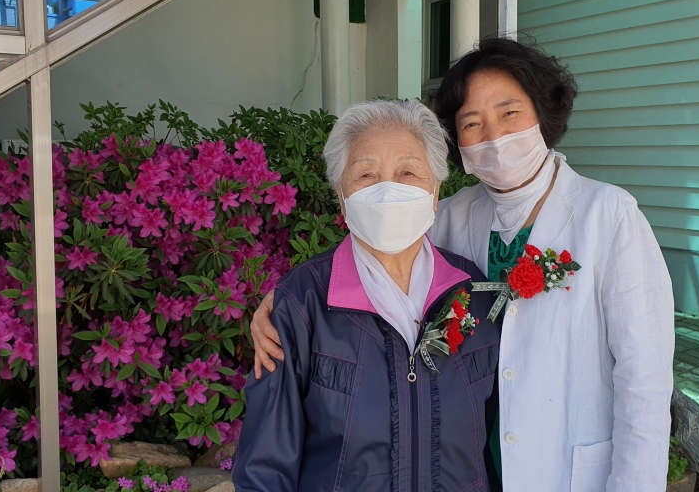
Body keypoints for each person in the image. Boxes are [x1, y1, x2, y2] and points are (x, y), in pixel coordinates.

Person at [248, 38, 675, 492]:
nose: (494, 136)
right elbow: (380, 254)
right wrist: (286, 304)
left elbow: (643, 379)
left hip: (566, 465)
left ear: (542, 112)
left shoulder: (608, 215)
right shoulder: (451, 216)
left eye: (509, 113)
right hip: (475, 462)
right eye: (472, 122)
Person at [232, 100, 502, 491]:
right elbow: (265, 466)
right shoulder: (302, 303)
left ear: (435, 191)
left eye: (407, 172)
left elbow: (501, 437)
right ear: (342, 197)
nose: (387, 190)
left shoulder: (475, 293)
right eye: (365, 175)